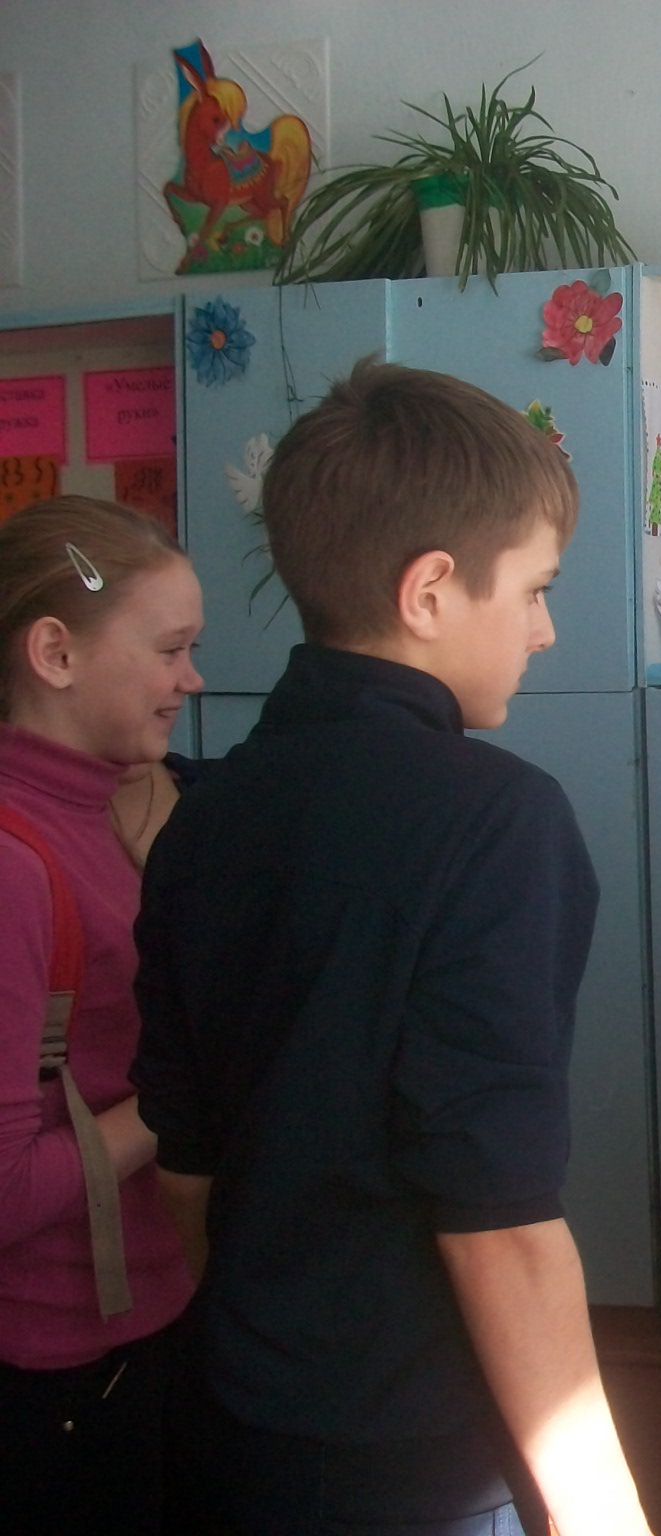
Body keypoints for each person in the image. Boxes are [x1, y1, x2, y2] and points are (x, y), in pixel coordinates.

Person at [130, 361, 651, 1536]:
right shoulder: (497, 820)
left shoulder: (201, 817)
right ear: (429, 591)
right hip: (415, 1457)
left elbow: (185, 1171)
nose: (545, 629)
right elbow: (501, 1229)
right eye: (533, 589)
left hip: (233, 1427)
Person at [0, 497, 203, 1534]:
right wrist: (190, 1091)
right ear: (55, 653)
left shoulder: (95, 813)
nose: (192, 680)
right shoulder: (14, 863)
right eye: (169, 650)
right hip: (53, 1370)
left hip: (129, 1326)